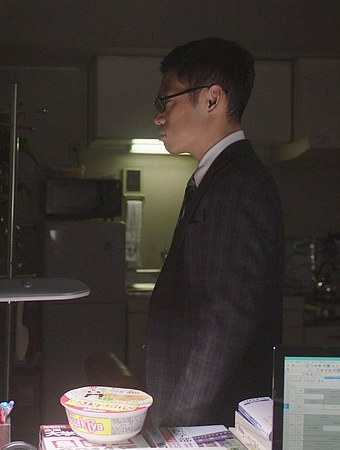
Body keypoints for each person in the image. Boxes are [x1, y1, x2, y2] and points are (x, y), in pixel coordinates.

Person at [145, 37, 284, 427]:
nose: (159, 117)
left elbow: (226, 320)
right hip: (201, 414)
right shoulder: (219, 177)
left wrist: (179, 422)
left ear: (211, 99)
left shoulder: (238, 184)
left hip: (213, 420)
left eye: (166, 102)